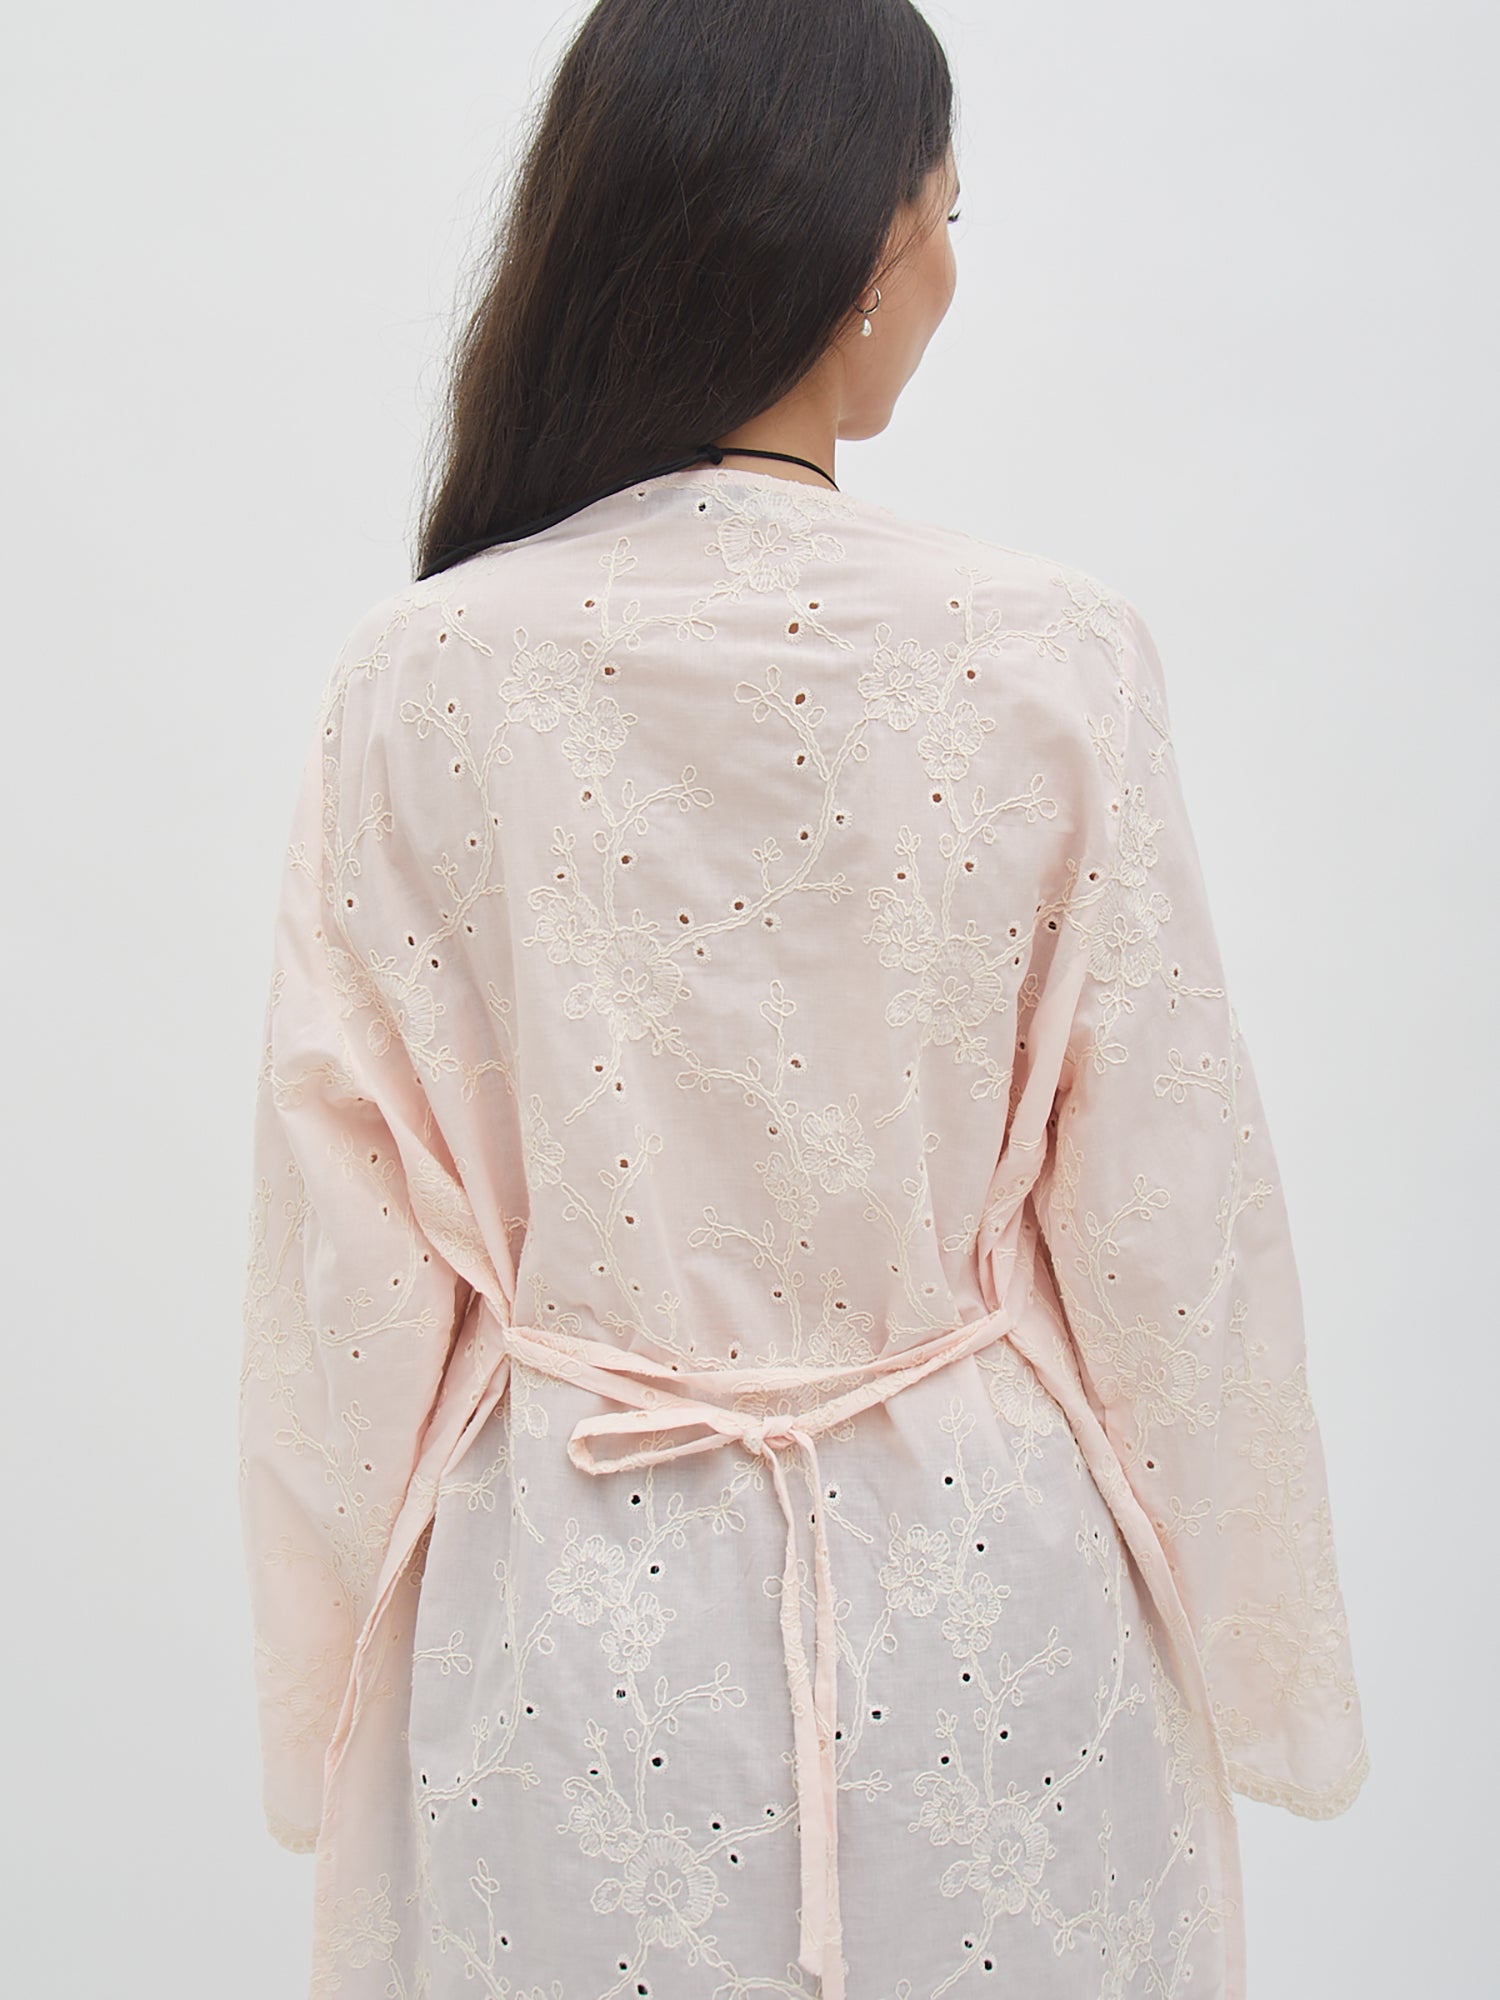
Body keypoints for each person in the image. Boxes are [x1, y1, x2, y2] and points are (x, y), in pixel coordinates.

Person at [237, 2, 1370, 1995]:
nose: (951, 269)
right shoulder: (1055, 656)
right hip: (989, 1608)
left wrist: (325, 1689)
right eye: (950, 214)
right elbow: (1172, 1219)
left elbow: (345, 1254)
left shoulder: (417, 679)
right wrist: (1262, 1650)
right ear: (861, 248)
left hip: (569, 1620)